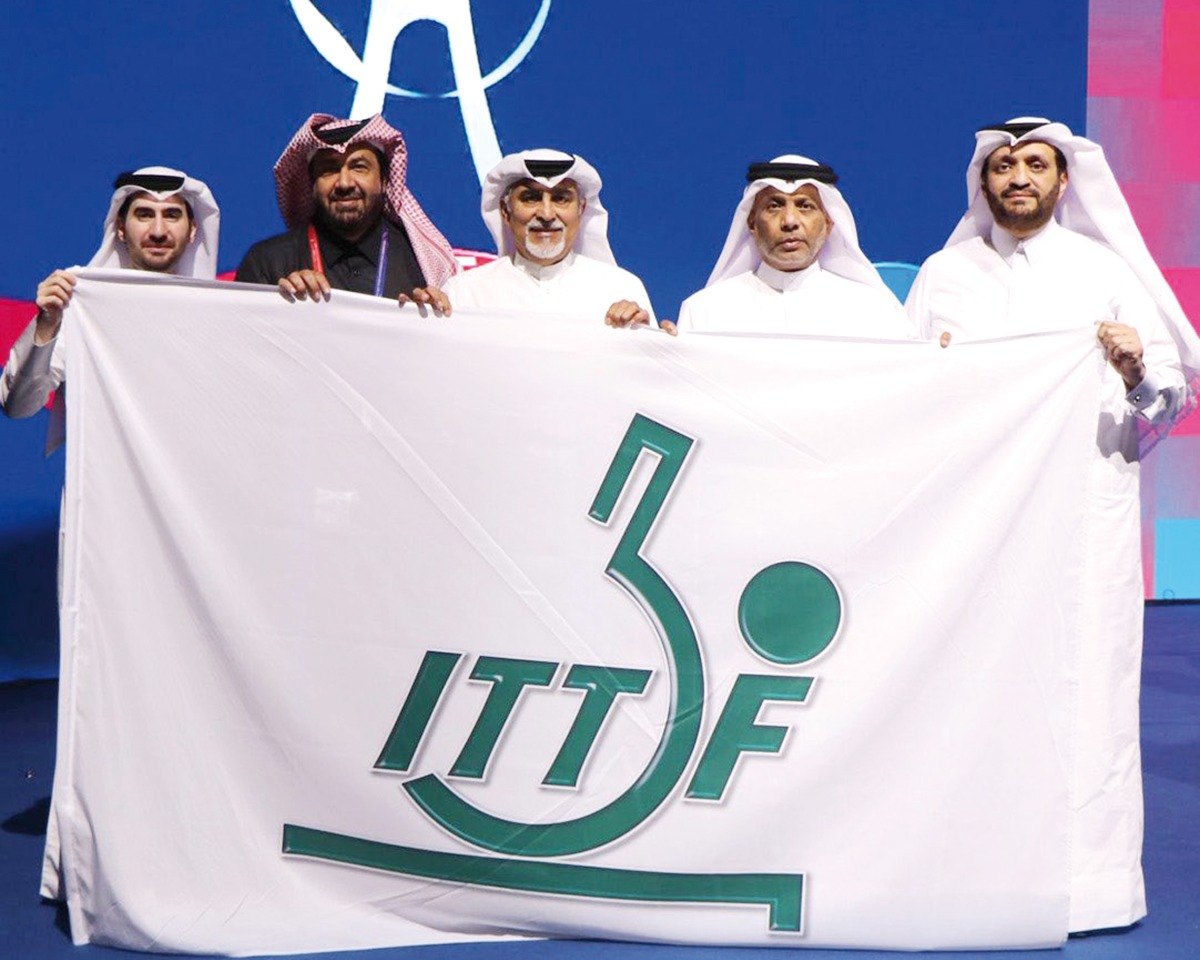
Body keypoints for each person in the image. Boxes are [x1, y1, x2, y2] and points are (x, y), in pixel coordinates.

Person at [906, 117, 1200, 933]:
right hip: (970, 534)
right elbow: (897, 401)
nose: (1019, 178)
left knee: (1086, 697)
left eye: (1035, 164)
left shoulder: (1104, 271)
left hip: (1083, 527)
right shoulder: (943, 275)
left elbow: (1165, 406)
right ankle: (964, 873)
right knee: (966, 695)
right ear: (983, 183)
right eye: (1003, 166)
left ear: (1064, 181)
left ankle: (1088, 885)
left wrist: (1139, 367)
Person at [1, 167, 221, 450]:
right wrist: (46, 325)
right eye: (144, 214)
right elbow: (18, 406)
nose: (158, 231)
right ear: (120, 226)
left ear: (193, 229)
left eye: (171, 215)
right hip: (104, 489)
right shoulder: (76, 302)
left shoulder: (214, 315)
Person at [235, 113, 455, 312]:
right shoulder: (268, 262)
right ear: (311, 184)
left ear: (385, 180)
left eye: (359, 167)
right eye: (329, 170)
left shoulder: (422, 263)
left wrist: (434, 319)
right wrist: (281, 305)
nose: (344, 183)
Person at [673, 156, 911, 336]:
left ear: (828, 224)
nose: (789, 222)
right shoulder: (706, 311)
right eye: (774, 206)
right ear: (752, 223)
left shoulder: (873, 312)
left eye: (804, 206)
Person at [441, 149, 654, 326]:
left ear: (581, 210)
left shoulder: (621, 289)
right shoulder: (465, 293)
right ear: (506, 211)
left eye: (560, 199)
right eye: (531, 198)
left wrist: (649, 341)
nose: (546, 214)